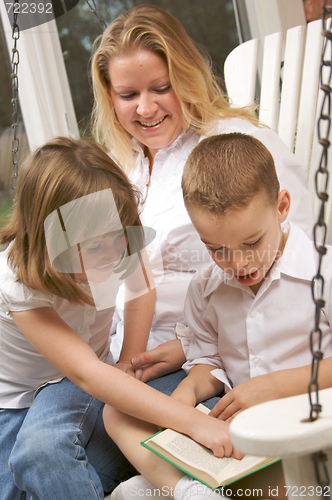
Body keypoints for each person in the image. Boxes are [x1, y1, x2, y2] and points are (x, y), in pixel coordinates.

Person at [0, 137, 240, 500]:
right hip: (20, 398)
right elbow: (86, 373)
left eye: (119, 239)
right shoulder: (19, 285)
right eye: (96, 248)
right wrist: (193, 423)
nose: (115, 254)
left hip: (80, 377)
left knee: (43, 449)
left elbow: (141, 291)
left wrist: (128, 360)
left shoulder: (112, 231)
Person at [103, 133, 332, 500]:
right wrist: (187, 394)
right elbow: (209, 361)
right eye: (217, 249)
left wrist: (272, 387)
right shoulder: (207, 288)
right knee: (119, 437)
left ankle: (187, 488)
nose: (238, 264)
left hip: (309, 440)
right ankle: (189, 490)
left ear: (282, 206)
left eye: (252, 242)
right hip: (237, 442)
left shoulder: (323, 273)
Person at [91, 4, 315, 370]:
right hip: (114, 352)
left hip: (205, 358)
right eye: (128, 95)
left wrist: (194, 346)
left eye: (161, 88)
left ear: (185, 76)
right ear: (110, 96)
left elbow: (295, 260)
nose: (145, 109)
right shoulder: (117, 167)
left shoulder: (238, 145)